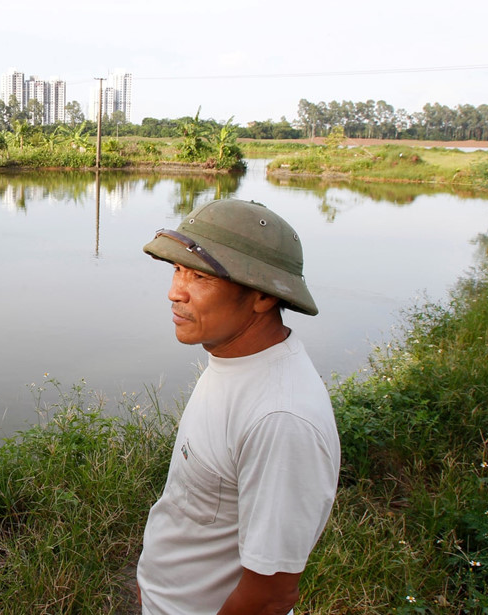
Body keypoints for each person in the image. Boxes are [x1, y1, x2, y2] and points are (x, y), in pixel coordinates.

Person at [136, 198, 340, 615]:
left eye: (200, 276)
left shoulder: (281, 420)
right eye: (177, 269)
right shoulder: (234, 359)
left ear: (263, 298)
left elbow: (270, 597)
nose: (175, 292)